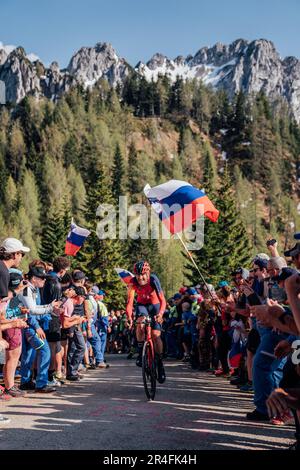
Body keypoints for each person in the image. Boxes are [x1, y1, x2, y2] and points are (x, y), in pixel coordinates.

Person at [19, 266, 60, 393]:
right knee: (45, 350)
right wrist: (49, 308)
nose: (44, 281)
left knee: (29, 355)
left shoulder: (32, 289)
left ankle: (25, 382)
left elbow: (33, 309)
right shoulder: (27, 290)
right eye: (42, 278)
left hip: (28, 325)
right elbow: (31, 310)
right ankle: (41, 383)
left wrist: (49, 308)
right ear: (34, 278)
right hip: (29, 326)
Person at [126, 260, 167, 384]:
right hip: (142, 306)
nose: (140, 277)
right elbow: (129, 303)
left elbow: (163, 301)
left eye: (143, 274)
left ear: (148, 273)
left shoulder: (154, 280)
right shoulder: (132, 282)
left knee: (155, 335)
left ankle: (159, 363)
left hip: (155, 305)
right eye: (138, 275)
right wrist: (129, 317)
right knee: (140, 323)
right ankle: (140, 352)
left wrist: (160, 314)